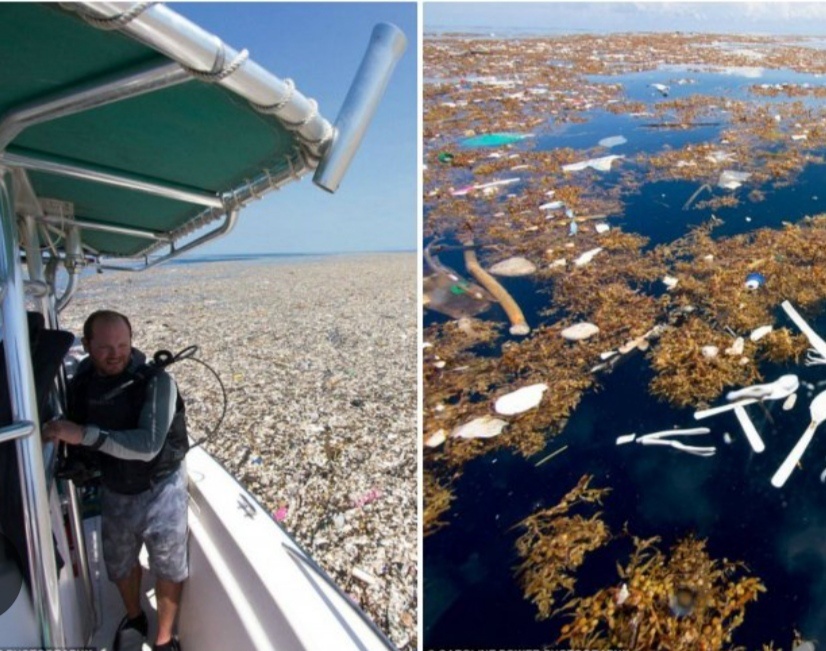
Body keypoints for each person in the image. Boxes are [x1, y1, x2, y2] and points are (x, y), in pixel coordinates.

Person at [44, 310, 189, 651]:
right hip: (115, 486)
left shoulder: (156, 382)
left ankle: (165, 638)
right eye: (106, 346)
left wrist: (83, 436)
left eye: (123, 344)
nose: (116, 353)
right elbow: (76, 416)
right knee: (120, 562)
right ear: (87, 345)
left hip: (161, 488)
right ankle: (135, 616)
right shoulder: (83, 380)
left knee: (168, 565)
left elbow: (149, 445)